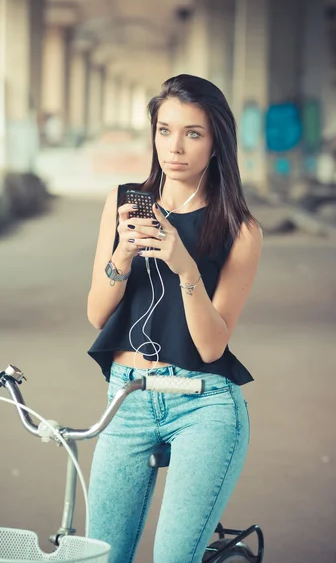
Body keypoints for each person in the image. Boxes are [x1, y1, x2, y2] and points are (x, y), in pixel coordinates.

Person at [86, 74, 262, 563]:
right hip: (128, 398)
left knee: (173, 558)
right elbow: (97, 312)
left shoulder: (240, 230)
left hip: (203, 405)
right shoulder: (122, 202)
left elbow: (211, 347)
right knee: (100, 554)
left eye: (193, 133)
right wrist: (122, 253)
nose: (175, 147)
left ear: (216, 142)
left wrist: (184, 264)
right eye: (165, 130)